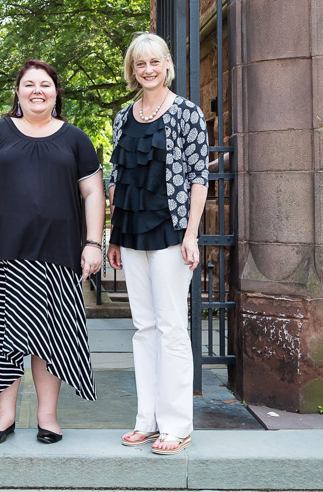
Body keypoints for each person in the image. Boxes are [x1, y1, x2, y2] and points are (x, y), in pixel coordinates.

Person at [0, 60, 106, 445]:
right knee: (0, 339)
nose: (37, 90)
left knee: (50, 338)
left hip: (58, 257)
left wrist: (93, 243)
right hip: (6, 256)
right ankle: (3, 416)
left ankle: (47, 416)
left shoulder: (75, 138)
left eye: (45, 84)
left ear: (56, 92)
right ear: (18, 91)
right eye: (29, 84)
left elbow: (93, 192)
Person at [107, 32, 208, 455]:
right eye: (139, 64)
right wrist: (113, 236)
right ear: (133, 70)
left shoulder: (187, 113)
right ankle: (146, 421)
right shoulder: (122, 117)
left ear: (167, 64)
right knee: (143, 327)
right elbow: (118, 180)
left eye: (154, 62)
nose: (147, 69)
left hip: (171, 230)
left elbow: (200, 177)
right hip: (130, 233)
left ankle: (177, 426)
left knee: (171, 328)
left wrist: (192, 235)